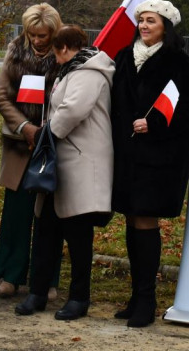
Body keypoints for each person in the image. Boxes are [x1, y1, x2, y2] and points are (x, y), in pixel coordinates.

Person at [110, 0, 189, 327]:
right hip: (126, 155)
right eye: (142, 20)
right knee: (131, 221)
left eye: (152, 21)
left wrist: (157, 124)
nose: (145, 26)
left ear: (166, 26)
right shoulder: (123, 57)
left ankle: (147, 300)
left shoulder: (180, 63)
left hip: (160, 158)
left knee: (146, 220)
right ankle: (135, 296)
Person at [15, 25, 115, 320]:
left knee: (78, 236)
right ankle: (38, 292)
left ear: (62, 49)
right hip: (60, 162)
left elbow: (72, 110)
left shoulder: (88, 73)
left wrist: (45, 136)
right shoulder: (71, 70)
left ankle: (79, 298)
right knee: (46, 230)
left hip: (80, 163)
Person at [0, 3, 63, 299]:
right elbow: (1, 96)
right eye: (33, 34)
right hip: (19, 144)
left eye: (43, 35)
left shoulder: (63, 55)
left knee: (49, 215)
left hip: (53, 143)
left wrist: (46, 131)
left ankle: (46, 279)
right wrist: (24, 127)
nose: (37, 40)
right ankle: (12, 274)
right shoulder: (15, 50)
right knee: (16, 212)